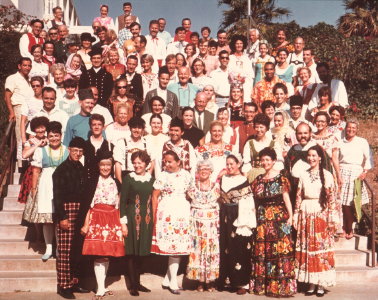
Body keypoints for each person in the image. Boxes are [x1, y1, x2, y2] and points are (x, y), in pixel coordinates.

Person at [250, 147, 296, 297]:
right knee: (265, 252)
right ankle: (264, 286)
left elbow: (286, 199)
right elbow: (255, 202)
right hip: (263, 221)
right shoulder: (258, 180)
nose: (265, 162)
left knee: (279, 252)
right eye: (262, 160)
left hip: (279, 220)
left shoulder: (281, 178)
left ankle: (280, 288)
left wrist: (291, 216)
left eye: (267, 160)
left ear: (274, 161)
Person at [294, 145, 338, 297]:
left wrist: (332, 218)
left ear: (320, 157)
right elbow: (298, 196)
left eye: (314, 155)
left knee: (320, 249)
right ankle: (310, 282)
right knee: (308, 249)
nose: (311, 158)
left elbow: (332, 198)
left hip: (320, 213)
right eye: (309, 155)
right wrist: (296, 214)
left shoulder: (327, 175)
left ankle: (320, 283)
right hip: (306, 212)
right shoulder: (303, 174)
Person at [80, 150, 125, 299]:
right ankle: (100, 288)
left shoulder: (116, 182)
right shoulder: (92, 182)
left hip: (112, 219)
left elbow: (120, 206)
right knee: (98, 254)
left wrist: (122, 225)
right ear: (98, 165)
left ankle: (102, 286)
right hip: (97, 218)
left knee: (106, 255)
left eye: (108, 165)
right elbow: (87, 205)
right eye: (102, 165)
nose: (105, 168)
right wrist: (86, 224)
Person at [22, 121, 68, 262]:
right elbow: (36, 171)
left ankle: (59, 248)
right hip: (46, 184)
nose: (54, 138)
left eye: (57, 136)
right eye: (51, 136)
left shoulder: (67, 150)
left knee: (59, 219)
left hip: (62, 185)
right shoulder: (41, 150)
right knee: (47, 220)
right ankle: (48, 248)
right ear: (47, 137)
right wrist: (34, 188)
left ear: (61, 136)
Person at [150, 150, 193, 294]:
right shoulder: (162, 175)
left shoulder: (187, 175)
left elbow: (190, 193)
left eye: (170, 161)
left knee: (179, 245)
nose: (167, 164)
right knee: (172, 246)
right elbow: (155, 196)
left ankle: (169, 279)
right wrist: (155, 214)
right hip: (167, 211)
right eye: (165, 161)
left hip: (182, 210)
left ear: (178, 162)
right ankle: (173, 281)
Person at [53, 137, 89, 299]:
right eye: (75, 150)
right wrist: (63, 217)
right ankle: (64, 285)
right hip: (66, 210)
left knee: (76, 249)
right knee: (65, 250)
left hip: (80, 210)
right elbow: (58, 196)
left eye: (80, 151)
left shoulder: (81, 167)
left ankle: (75, 282)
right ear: (69, 150)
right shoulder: (61, 170)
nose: (78, 153)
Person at [218, 154, 256, 294]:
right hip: (225, 215)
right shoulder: (223, 179)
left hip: (238, 215)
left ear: (239, 164)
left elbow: (248, 202)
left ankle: (242, 283)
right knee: (225, 245)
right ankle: (226, 280)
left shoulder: (243, 180)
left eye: (232, 164)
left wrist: (245, 221)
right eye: (227, 164)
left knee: (239, 246)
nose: (229, 167)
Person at [120, 150, 155, 296]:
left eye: (140, 162)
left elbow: (154, 199)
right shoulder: (129, 178)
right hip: (131, 218)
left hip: (146, 219)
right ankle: (132, 285)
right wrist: (123, 223)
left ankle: (138, 282)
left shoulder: (151, 179)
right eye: (134, 163)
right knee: (131, 252)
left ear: (146, 163)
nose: (137, 165)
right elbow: (122, 202)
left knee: (141, 252)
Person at [186, 160, 220, 292]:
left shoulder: (216, 187)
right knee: (198, 249)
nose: (204, 171)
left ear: (211, 171)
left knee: (211, 249)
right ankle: (200, 281)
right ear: (197, 171)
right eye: (201, 169)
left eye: (207, 169)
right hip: (197, 223)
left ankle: (210, 281)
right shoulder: (192, 187)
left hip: (211, 223)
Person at [339, 119, 373, 239]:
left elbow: (369, 158)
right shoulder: (340, 141)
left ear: (357, 129)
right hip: (343, 172)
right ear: (345, 128)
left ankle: (351, 225)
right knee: (344, 204)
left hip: (356, 174)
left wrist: (365, 171)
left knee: (354, 202)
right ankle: (346, 228)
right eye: (349, 127)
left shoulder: (362, 142)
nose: (351, 130)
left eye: (353, 128)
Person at [4, 57, 34, 164]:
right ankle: (21, 161)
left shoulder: (29, 80)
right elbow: (7, 96)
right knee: (20, 135)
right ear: (19, 66)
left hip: (30, 110)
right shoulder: (12, 78)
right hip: (19, 108)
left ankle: (28, 158)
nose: (27, 67)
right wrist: (11, 111)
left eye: (29, 65)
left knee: (29, 134)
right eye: (25, 65)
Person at [284, 122, 317, 206]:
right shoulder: (293, 150)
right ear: (296, 135)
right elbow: (287, 169)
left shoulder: (316, 149)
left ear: (310, 134)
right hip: (294, 188)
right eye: (300, 133)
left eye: (305, 133)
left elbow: (326, 168)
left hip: (312, 189)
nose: (303, 136)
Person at [18, 116, 48, 204]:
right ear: (34, 129)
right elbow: (24, 155)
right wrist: (37, 145)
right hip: (33, 171)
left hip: (47, 170)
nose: (40, 130)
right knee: (32, 199)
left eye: (42, 127)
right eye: (37, 128)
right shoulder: (30, 141)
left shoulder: (49, 139)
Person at [114, 117, 152, 183]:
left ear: (142, 129)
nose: (136, 130)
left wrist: (148, 178)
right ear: (130, 128)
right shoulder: (121, 143)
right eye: (134, 127)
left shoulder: (147, 143)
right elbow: (117, 164)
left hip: (143, 176)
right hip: (126, 176)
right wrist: (120, 183)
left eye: (139, 128)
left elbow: (152, 162)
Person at [242, 113, 274, 183]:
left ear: (267, 128)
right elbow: (246, 164)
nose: (259, 130)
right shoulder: (249, 143)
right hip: (253, 176)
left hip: (270, 175)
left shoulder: (274, 144)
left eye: (261, 127)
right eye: (257, 127)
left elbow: (277, 164)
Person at [312, 112, 342, 187]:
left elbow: (335, 158)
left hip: (328, 170)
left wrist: (339, 175)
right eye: (318, 121)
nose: (319, 123)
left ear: (327, 123)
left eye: (322, 121)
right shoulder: (311, 137)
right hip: (313, 171)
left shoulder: (332, 138)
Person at [83, 114, 113, 181]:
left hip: (105, 184)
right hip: (88, 183)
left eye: (99, 124)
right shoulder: (84, 145)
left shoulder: (110, 146)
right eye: (94, 125)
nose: (96, 127)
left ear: (103, 127)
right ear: (90, 127)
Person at [228, 35, 254, 102]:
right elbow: (228, 71)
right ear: (234, 45)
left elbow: (250, 74)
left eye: (241, 43)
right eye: (237, 43)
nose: (239, 45)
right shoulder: (230, 58)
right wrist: (234, 78)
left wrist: (243, 79)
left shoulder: (247, 58)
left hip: (244, 86)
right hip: (232, 86)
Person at [20, 76, 44, 144]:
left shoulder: (47, 100)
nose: (35, 88)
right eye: (33, 86)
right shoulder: (28, 101)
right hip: (32, 131)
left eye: (37, 86)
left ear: (42, 86)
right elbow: (22, 121)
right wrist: (23, 138)